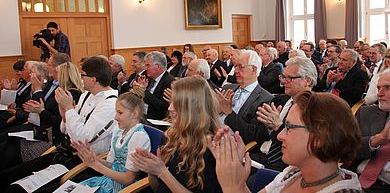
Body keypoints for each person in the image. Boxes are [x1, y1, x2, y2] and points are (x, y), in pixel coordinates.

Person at [0, 56, 117, 191]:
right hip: (67, 152)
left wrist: (68, 109)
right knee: (11, 175)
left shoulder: (109, 104)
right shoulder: (87, 95)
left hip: (87, 164)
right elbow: (65, 129)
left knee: (20, 188)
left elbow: (82, 138)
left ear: (93, 79)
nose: (80, 78)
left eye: (82, 75)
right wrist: (65, 114)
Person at [209, 91, 362, 193]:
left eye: (289, 127)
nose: (280, 135)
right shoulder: (294, 172)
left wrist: (231, 186)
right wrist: (234, 167)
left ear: (320, 137)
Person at [131, 76, 222, 192]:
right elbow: (157, 187)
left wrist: (162, 172)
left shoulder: (213, 149)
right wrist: (152, 169)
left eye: (177, 103)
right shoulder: (171, 136)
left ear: (193, 108)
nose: (170, 108)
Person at [74, 91, 151, 193]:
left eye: (120, 113)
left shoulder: (139, 137)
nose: (115, 117)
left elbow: (128, 179)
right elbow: (111, 165)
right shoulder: (119, 131)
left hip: (123, 189)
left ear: (134, 113)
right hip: (109, 181)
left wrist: (96, 165)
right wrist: (93, 158)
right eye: (116, 112)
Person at [353, 69, 390, 192]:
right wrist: (374, 141)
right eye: (378, 88)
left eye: (387, 88)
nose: (379, 94)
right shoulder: (366, 113)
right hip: (357, 181)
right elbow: (346, 149)